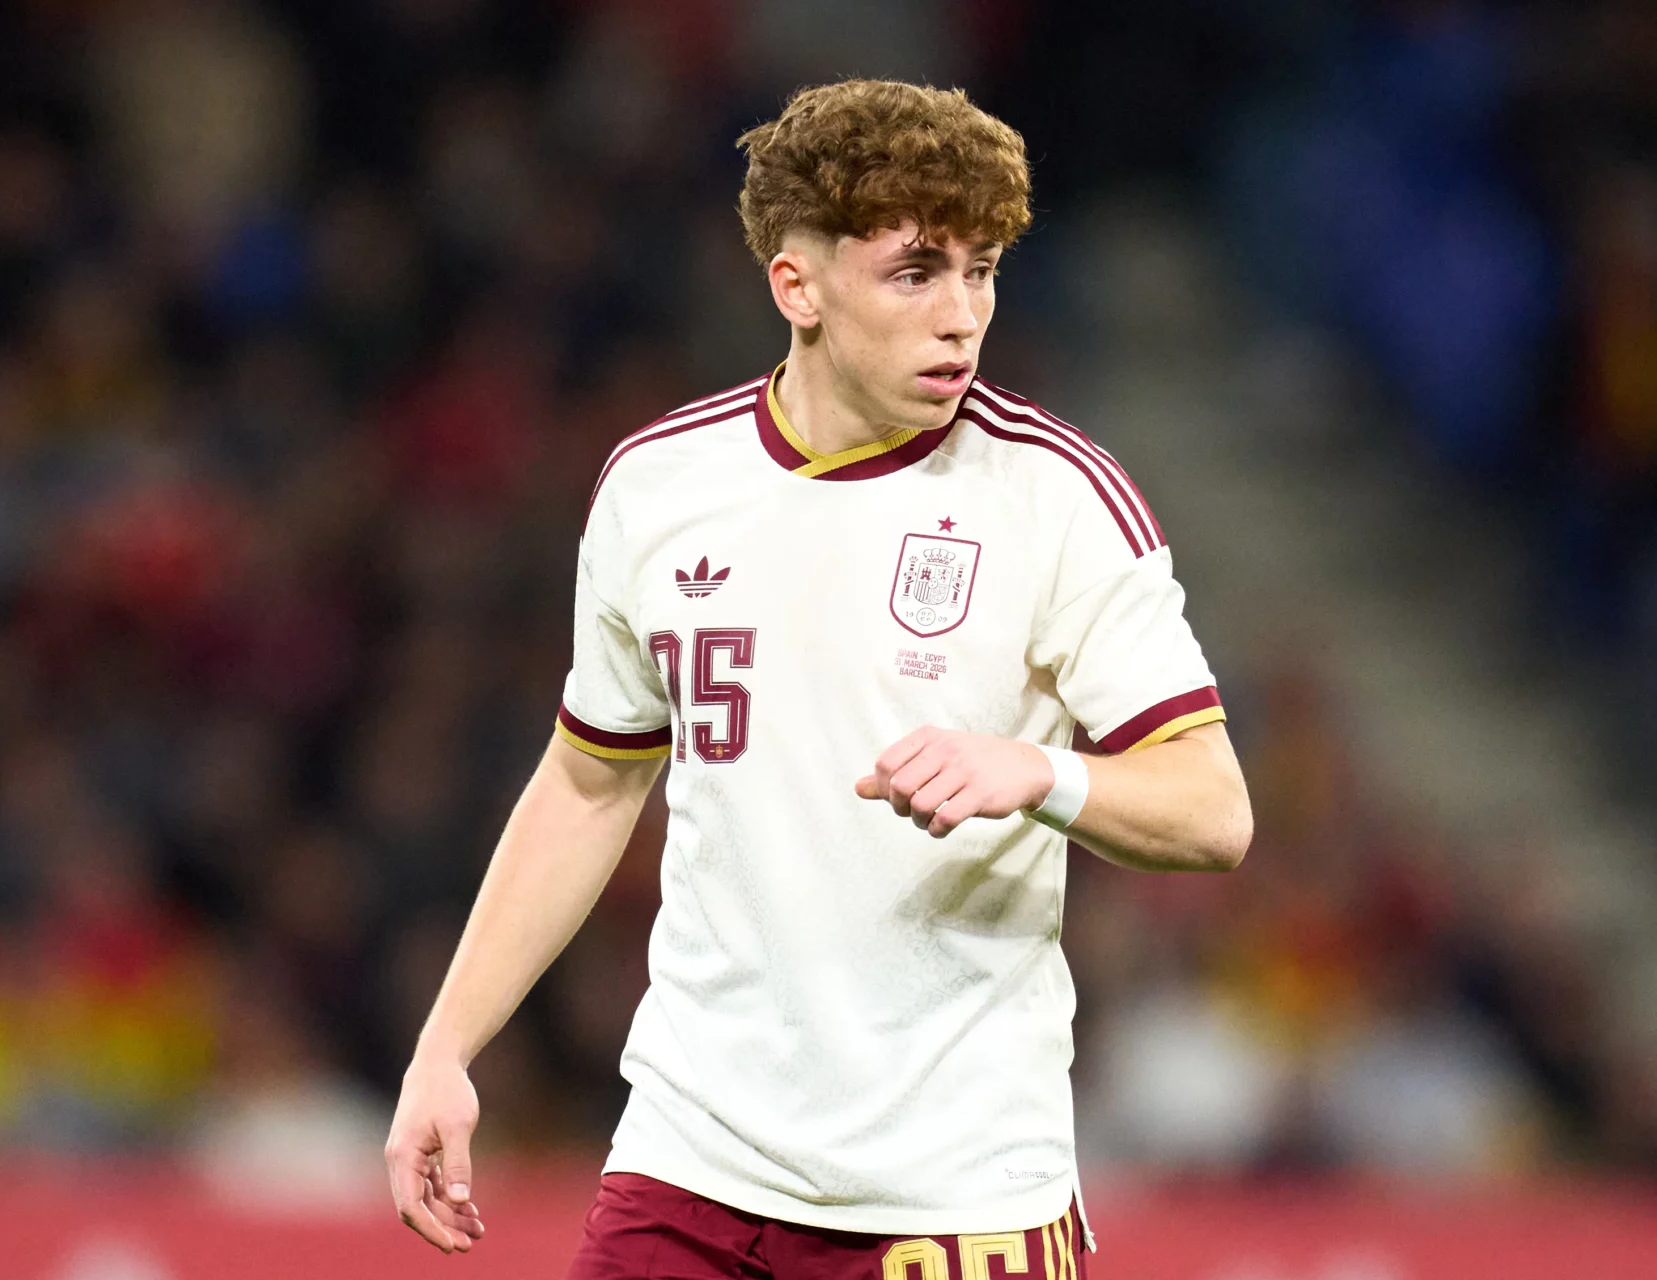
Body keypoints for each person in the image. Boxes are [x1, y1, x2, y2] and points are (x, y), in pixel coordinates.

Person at [384, 78, 1253, 1280]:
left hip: (952, 1195)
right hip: (689, 1167)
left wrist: (1036, 770)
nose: (962, 316)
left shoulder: (1057, 498)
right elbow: (589, 782)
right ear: (797, 285)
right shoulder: (658, 487)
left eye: (984, 270)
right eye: (917, 272)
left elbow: (1214, 809)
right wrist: (446, 1048)